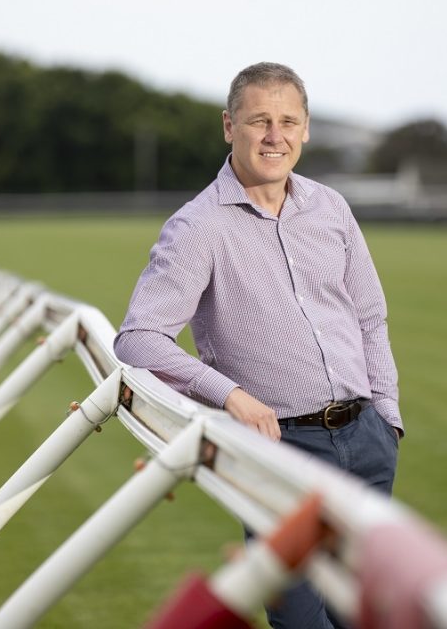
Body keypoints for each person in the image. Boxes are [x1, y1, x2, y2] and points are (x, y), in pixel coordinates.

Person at [114, 62, 402, 629]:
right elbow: (138, 339)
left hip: (366, 443)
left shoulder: (331, 208)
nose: (276, 136)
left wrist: (388, 419)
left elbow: (370, 317)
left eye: (288, 121)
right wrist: (231, 396)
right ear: (229, 126)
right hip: (279, 452)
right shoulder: (198, 226)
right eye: (259, 121)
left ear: (307, 128)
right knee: (300, 622)